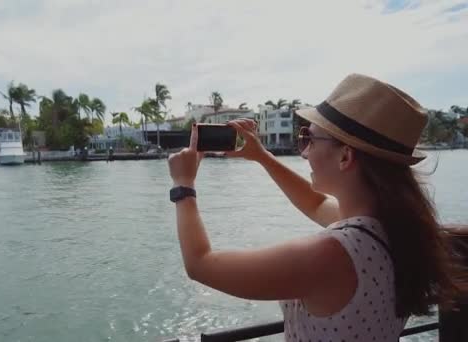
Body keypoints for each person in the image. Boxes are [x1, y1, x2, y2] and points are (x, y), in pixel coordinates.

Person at [167, 73, 467, 341]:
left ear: (345, 157)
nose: (305, 151)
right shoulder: (392, 228)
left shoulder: (330, 255)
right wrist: (260, 156)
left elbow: (201, 264)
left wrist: (184, 184)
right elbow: (316, 203)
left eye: (308, 138)